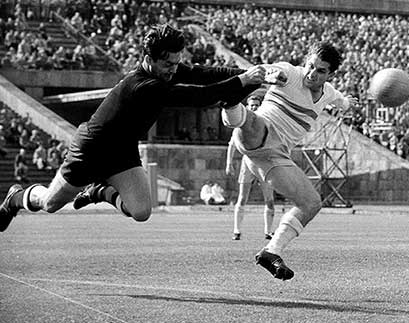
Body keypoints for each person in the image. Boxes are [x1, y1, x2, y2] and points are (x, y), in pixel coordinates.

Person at [0, 23, 267, 232]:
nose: (174, 70)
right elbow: (198, 98)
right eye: (168, 64)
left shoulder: (166, 69)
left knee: (141, 211)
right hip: (91, 149)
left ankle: (99, 191)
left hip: (122, 150)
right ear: (148, 57)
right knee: (50, 204)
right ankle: (15, 196)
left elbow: (204, 74)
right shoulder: (144, 86)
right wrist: (243, 81)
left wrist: (244, 72)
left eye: (176, 63)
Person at [221, 42, 358, 280]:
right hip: (261, 133)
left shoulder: (329, 93)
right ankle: (230, 103)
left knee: (312, 203)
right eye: (310, 65)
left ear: (331, 75)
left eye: (320, 71)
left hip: (275, 156)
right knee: (251, 122)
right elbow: (267, 71)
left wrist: (349, 103)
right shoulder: (290, 73)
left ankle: (271, 251)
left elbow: (342, 102)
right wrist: (271, 75)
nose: (311, 73)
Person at [226, 95, 275, 241]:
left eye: (256, 105)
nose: (254, 107)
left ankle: (268, 232)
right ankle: (237, 231)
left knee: (269, 199)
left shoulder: (266, 122)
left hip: (264, 163)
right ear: (247, 107)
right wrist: (228, 163)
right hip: (247, 163)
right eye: (251, 105)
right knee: (242, 197)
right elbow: (232, 144)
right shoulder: (241, 124)